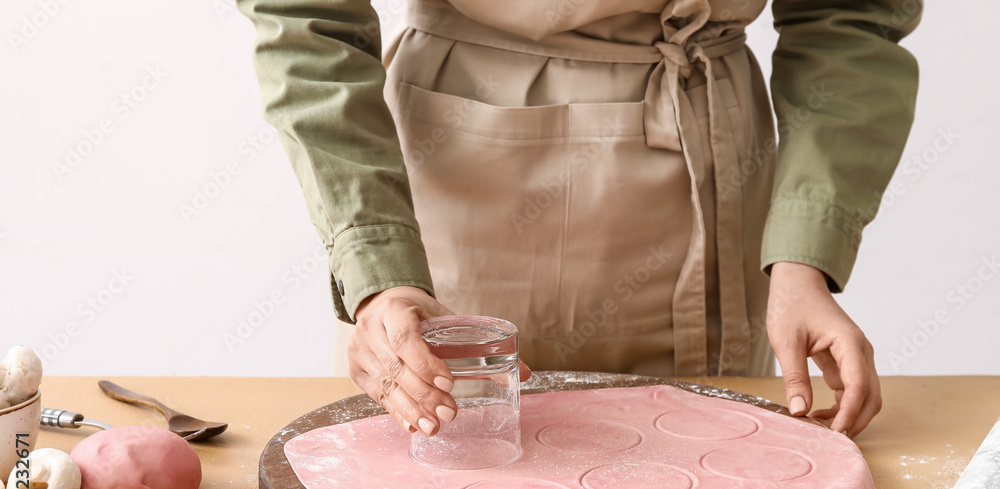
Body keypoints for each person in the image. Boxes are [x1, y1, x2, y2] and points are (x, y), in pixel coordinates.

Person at [235, 0, 920, 439]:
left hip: (717, 189)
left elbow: (851, 13)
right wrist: (378, 270)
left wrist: (805, 253)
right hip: (456, 195)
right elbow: (305, 16)